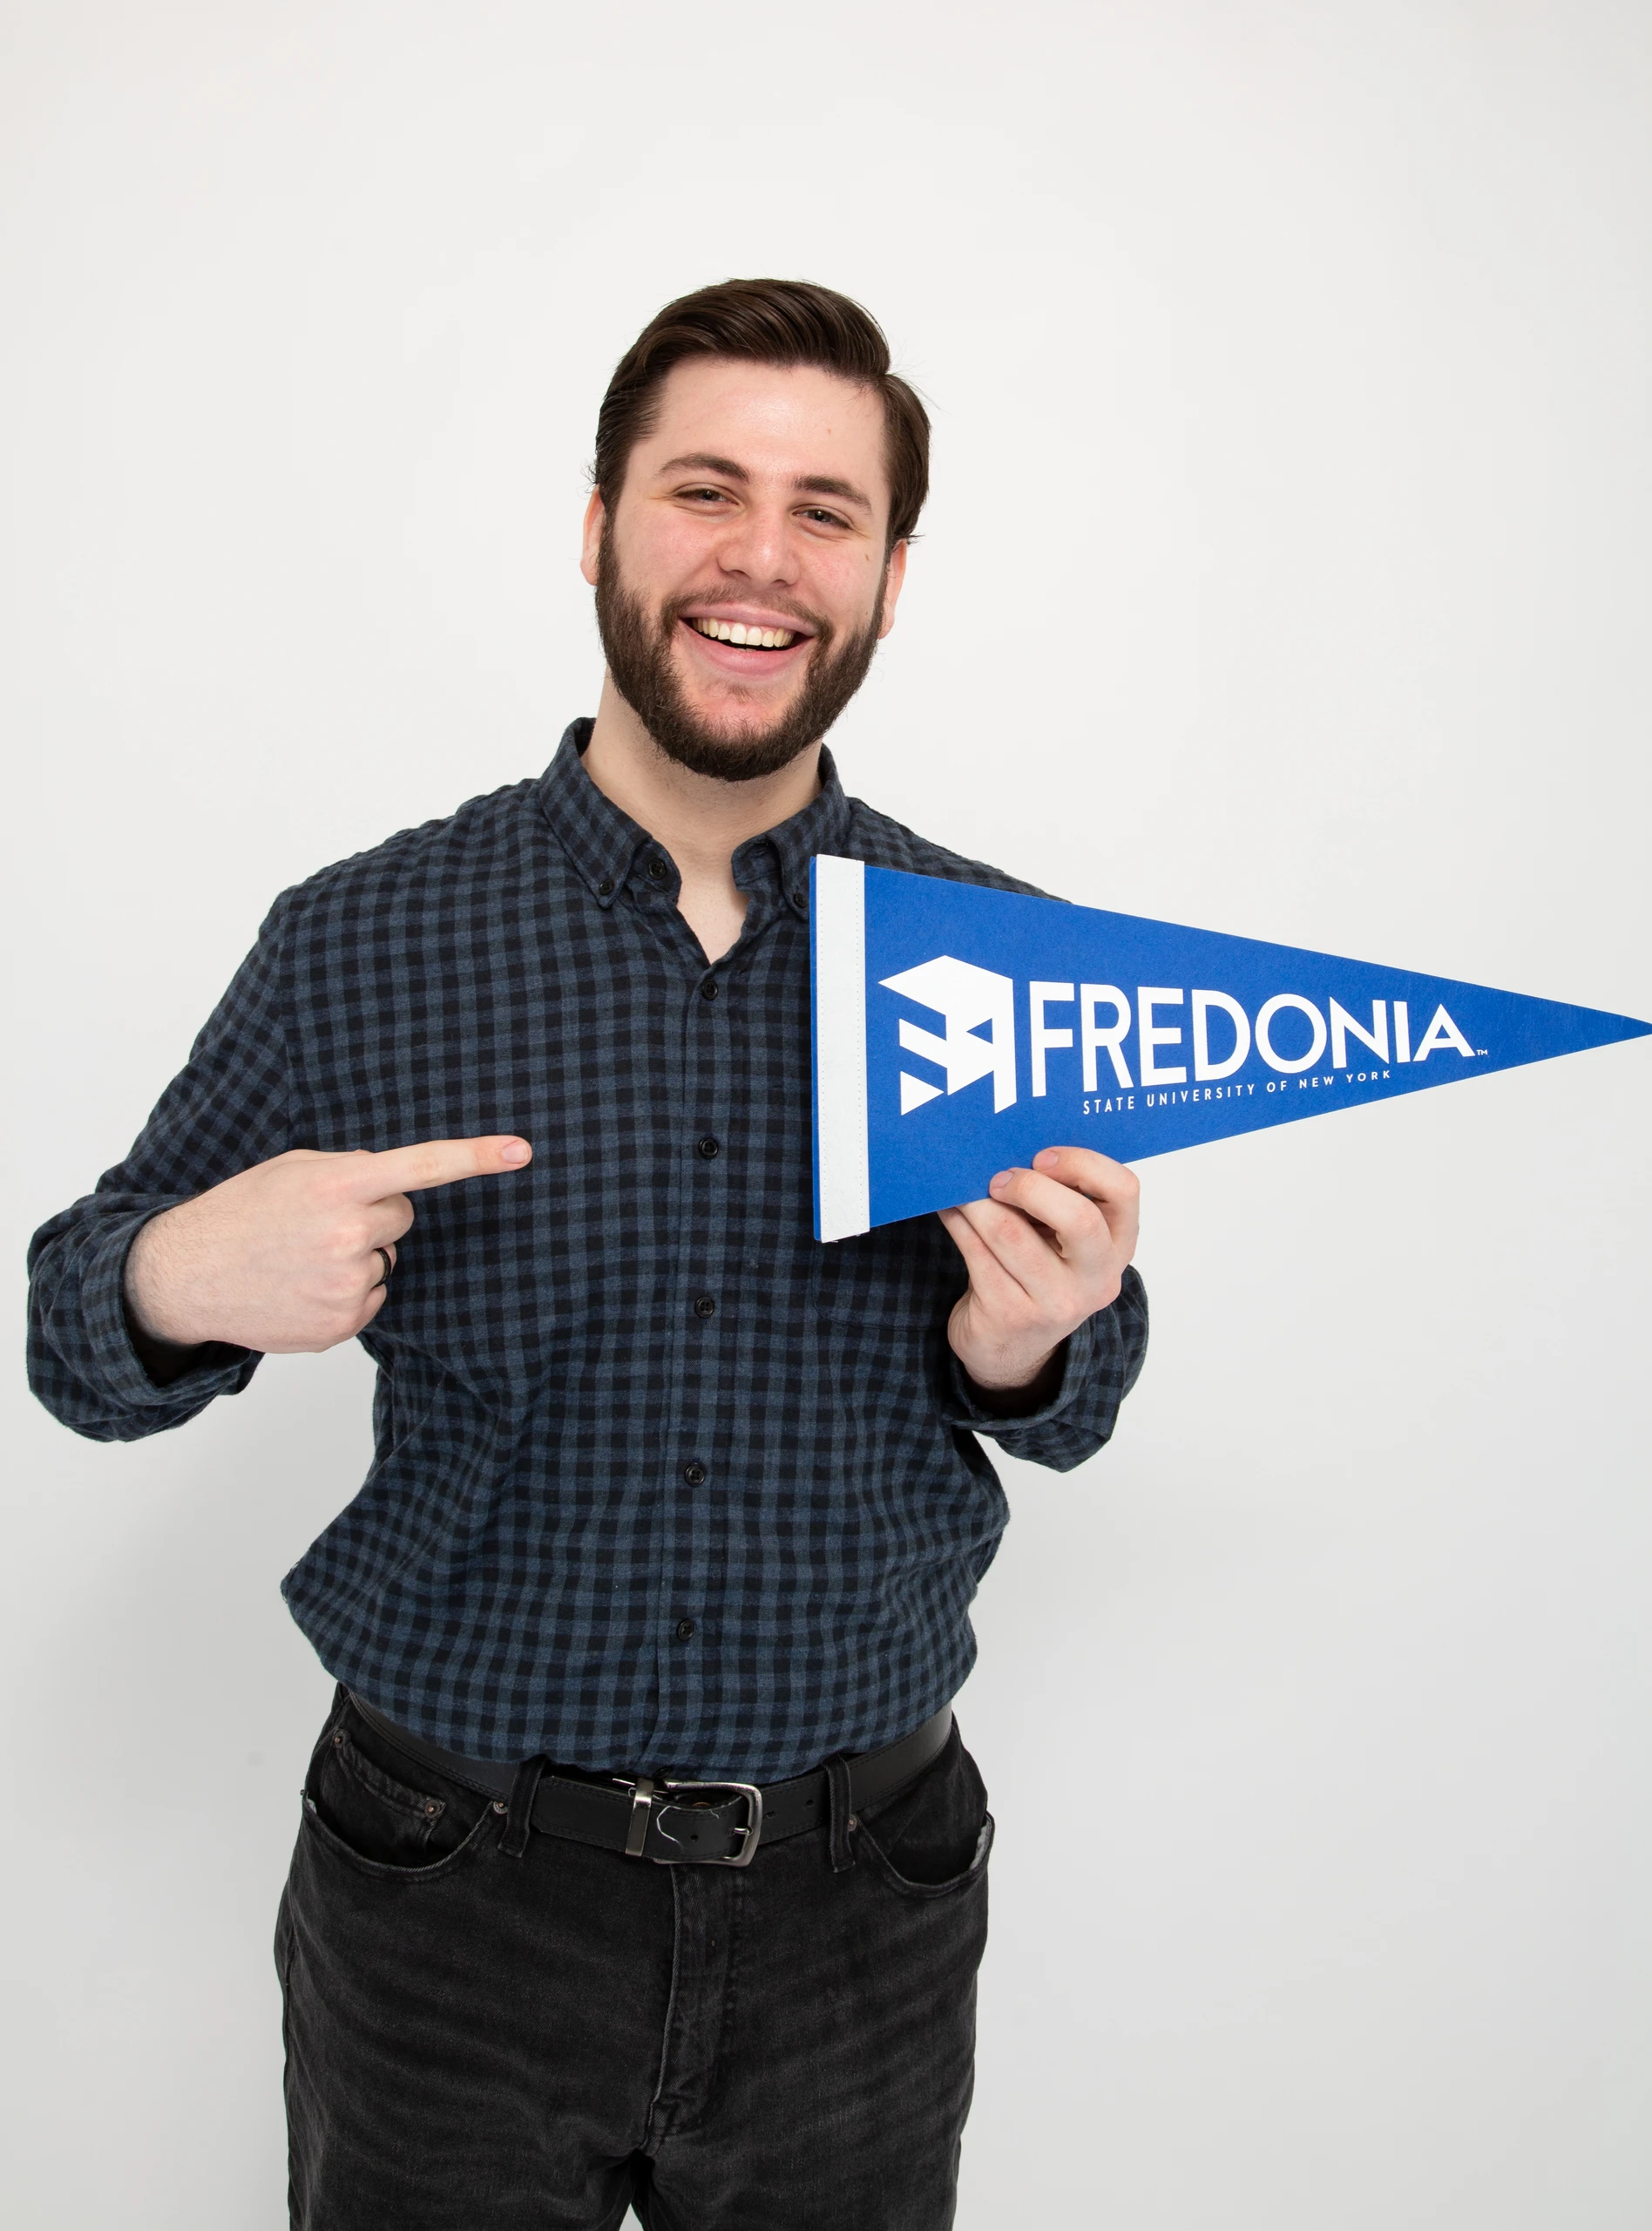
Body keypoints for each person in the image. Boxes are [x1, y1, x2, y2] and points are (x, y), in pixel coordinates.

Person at [28, 279, 1148, 2231]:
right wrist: (177, 1278)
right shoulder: (363, 938)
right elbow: (69, 1322)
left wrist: (1033, 1339)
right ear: (598, 524)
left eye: (826, 509)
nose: (760, 554)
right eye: (704, 487)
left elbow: (1081, 1395)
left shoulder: (995, 958)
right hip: (446, 1893)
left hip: (860, 1907)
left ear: (890, 573)